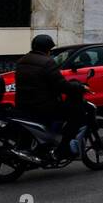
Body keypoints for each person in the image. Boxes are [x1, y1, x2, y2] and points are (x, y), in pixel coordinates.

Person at [14, 34, 80, 162]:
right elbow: (61, 84)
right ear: (46, 48)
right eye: (50, 49)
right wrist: (78, 88)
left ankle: (46, 144)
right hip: (42, 106)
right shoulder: (48, 62)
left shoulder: (22, 60)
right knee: (75, 114)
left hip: (23, 104)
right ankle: (62, 149)